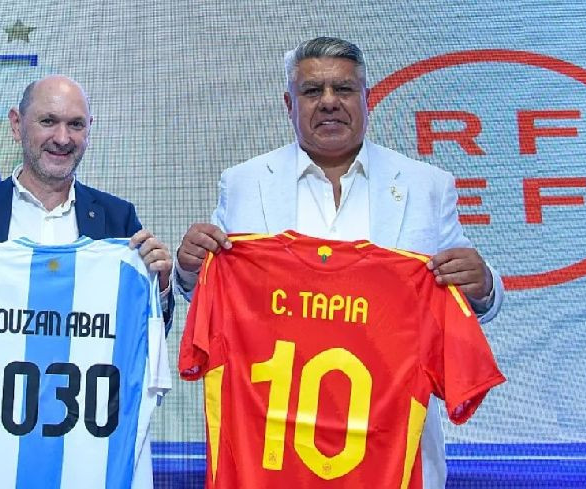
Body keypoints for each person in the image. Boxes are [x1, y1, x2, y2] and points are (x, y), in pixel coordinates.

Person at [174, 37, 504, 488]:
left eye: (344, 89)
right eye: (312, 91)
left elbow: (467, 297)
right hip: (271, 453)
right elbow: (213, 291)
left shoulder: (427, 185)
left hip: (391, 452)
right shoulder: (244, 183)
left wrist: (482, 284)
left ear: (367, 98)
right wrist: (190, 268)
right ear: (289, 104)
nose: (329, 102)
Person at [0, 74, 174, 342]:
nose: (62, 138)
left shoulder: (118, 219)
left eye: (76, 124)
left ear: (89, 129)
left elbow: (141, 340)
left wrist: (158, 289)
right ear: (17, 125)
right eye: (48, 121)